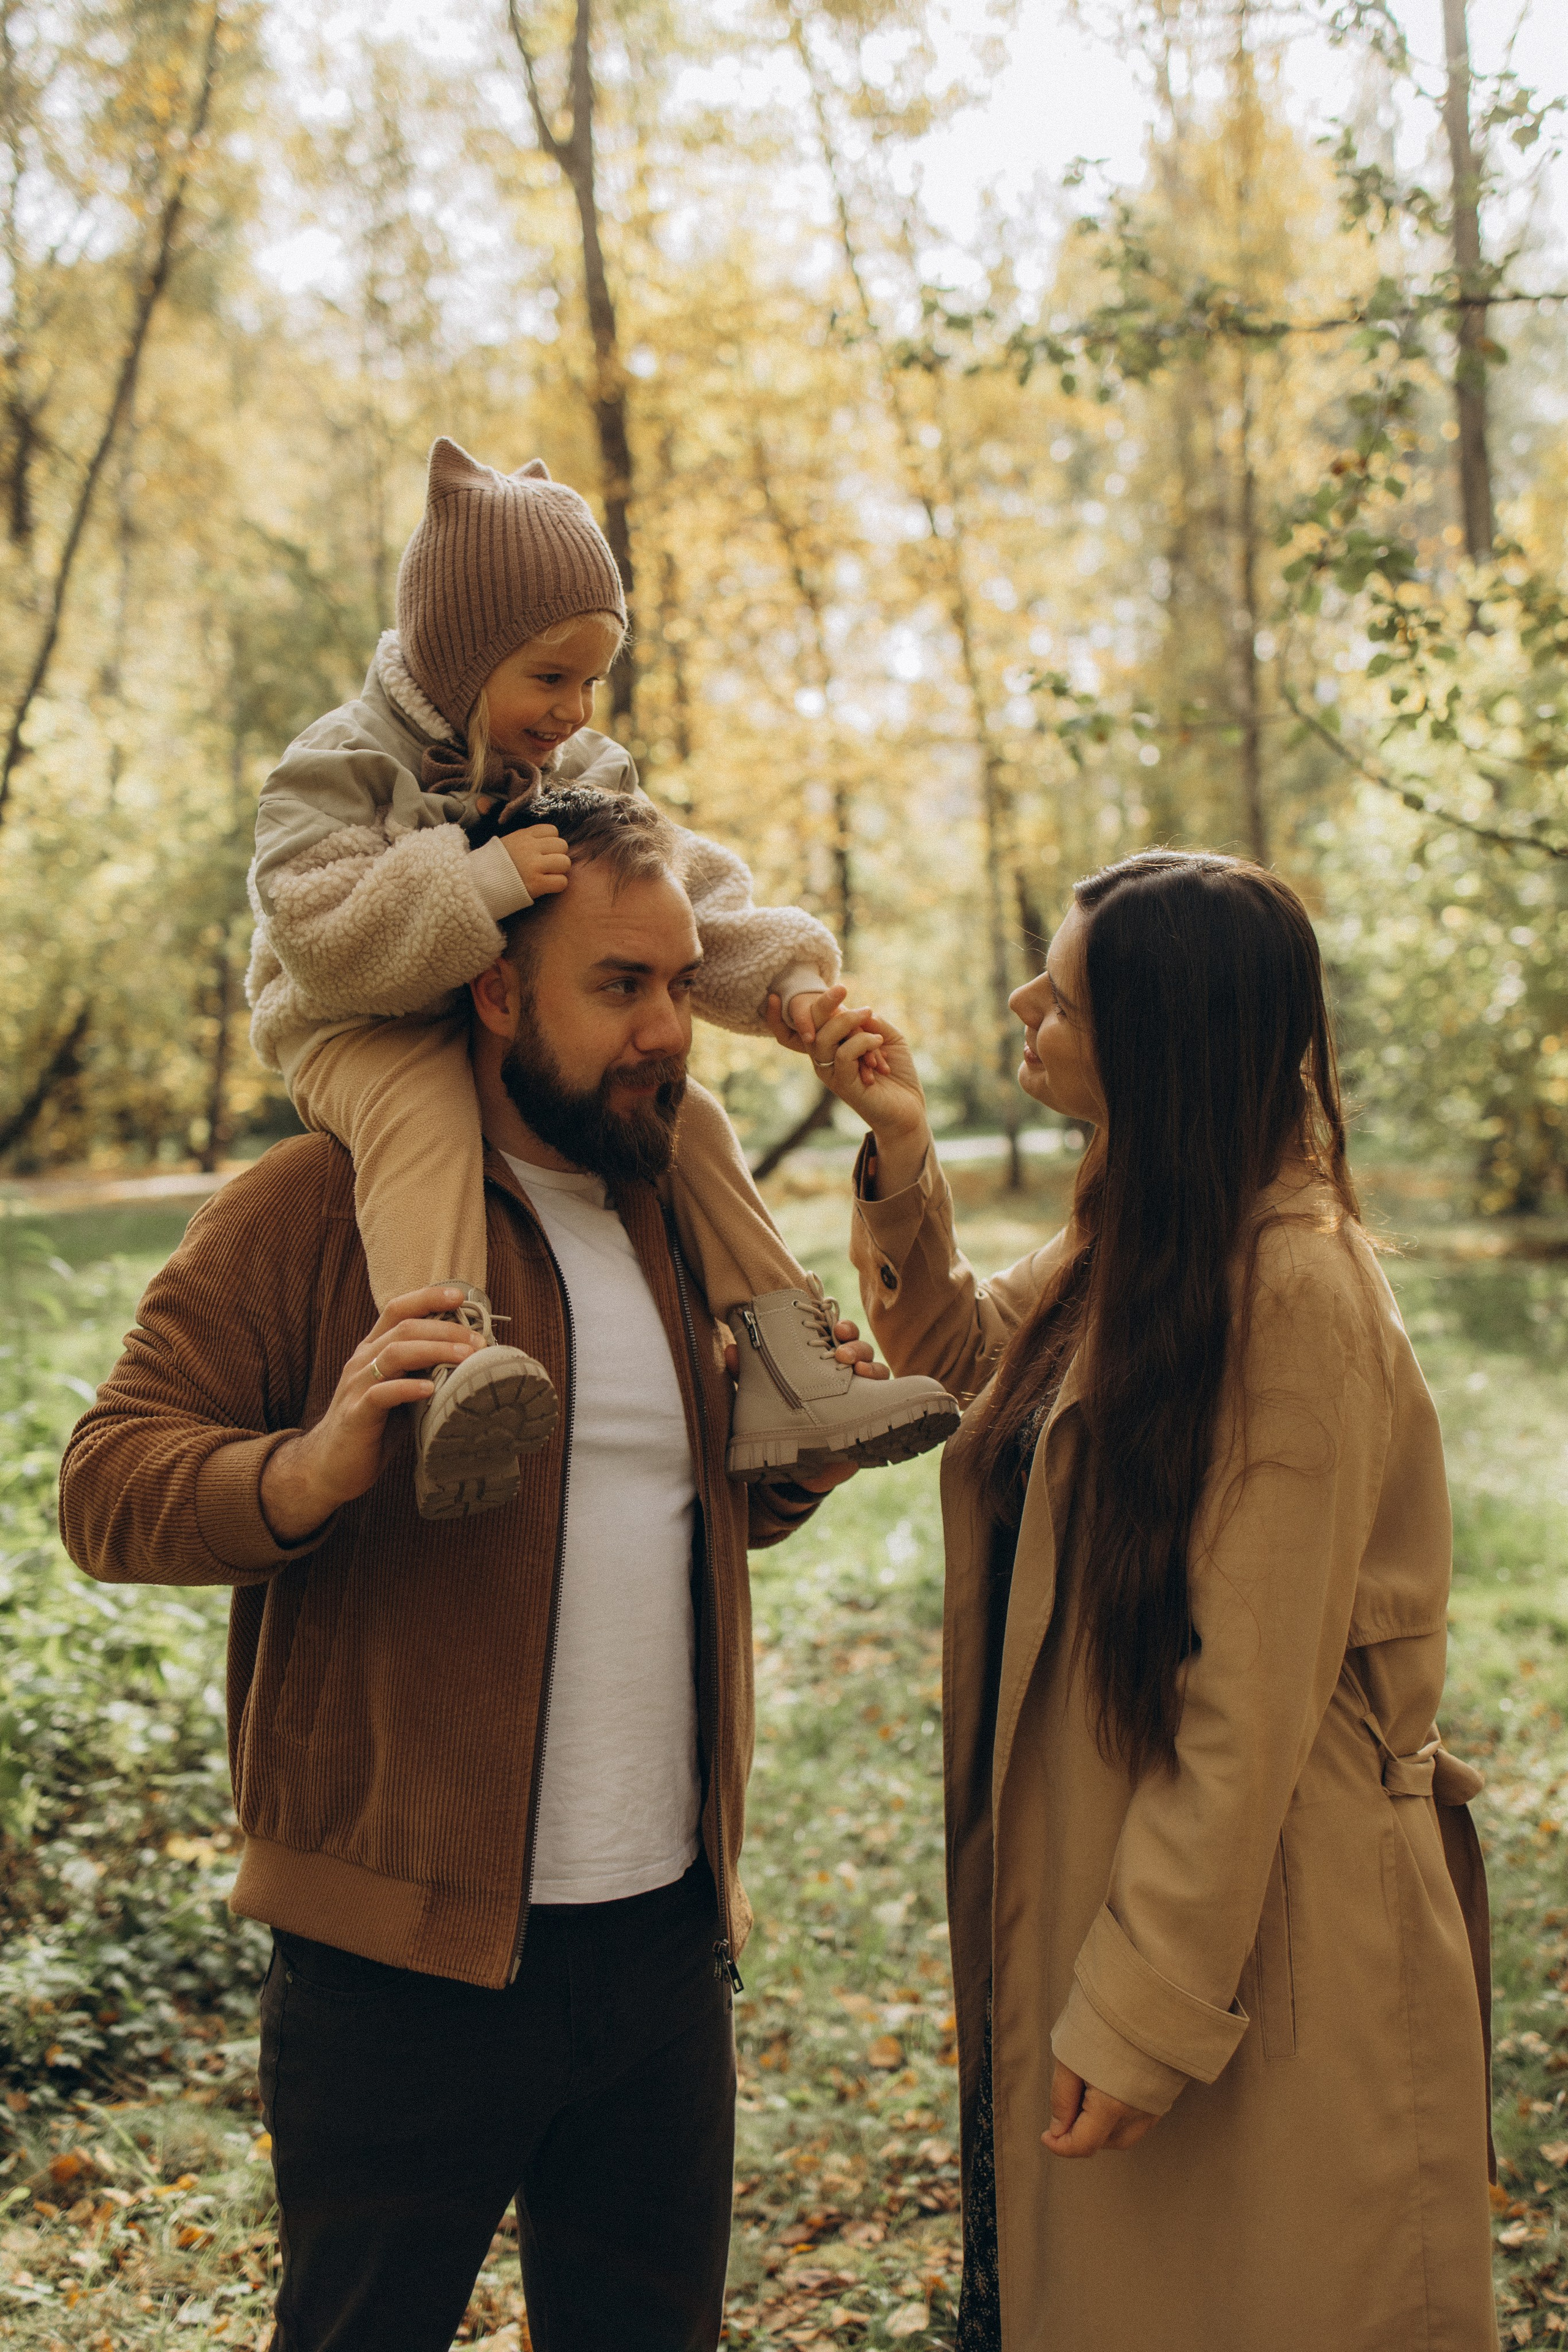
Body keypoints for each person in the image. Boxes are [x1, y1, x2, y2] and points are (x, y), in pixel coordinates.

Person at [60, 791, 884, 2352]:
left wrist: (787, 1483)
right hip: (395, 1976)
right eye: (615, 988)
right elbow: (104, 1485)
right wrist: (303, 1470)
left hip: (659, 1954)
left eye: (675, 982)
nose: (664, 1031)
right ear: (497, 991)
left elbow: (659, 1514)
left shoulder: (669, 1213)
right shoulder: (315, 1204)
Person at [783, 851, 1498, 2351]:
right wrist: (901, 1150)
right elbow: (973, 1363)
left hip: (1269, 1943)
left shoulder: (1292, 1288)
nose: (1022, 1002)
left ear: (1165, 1038)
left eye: (1067, 990)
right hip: (1120, 1873)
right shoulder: (1148, 1233)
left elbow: (1249, 1699)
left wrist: (1141, 2014)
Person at [246, 433, 956, 1517]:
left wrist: (788, 984)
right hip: (353, 1021)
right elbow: (316, 930)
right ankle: (449, 1369)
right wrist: (474, 880)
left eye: (592, 678)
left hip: (505, 1021)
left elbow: (670, 896)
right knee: (423, 1112)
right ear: (454, 656)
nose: (575, 706)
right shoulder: (345, 761)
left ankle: (783, 1359)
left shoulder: (576, 770)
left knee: (696, 1121)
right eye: (548, 676)